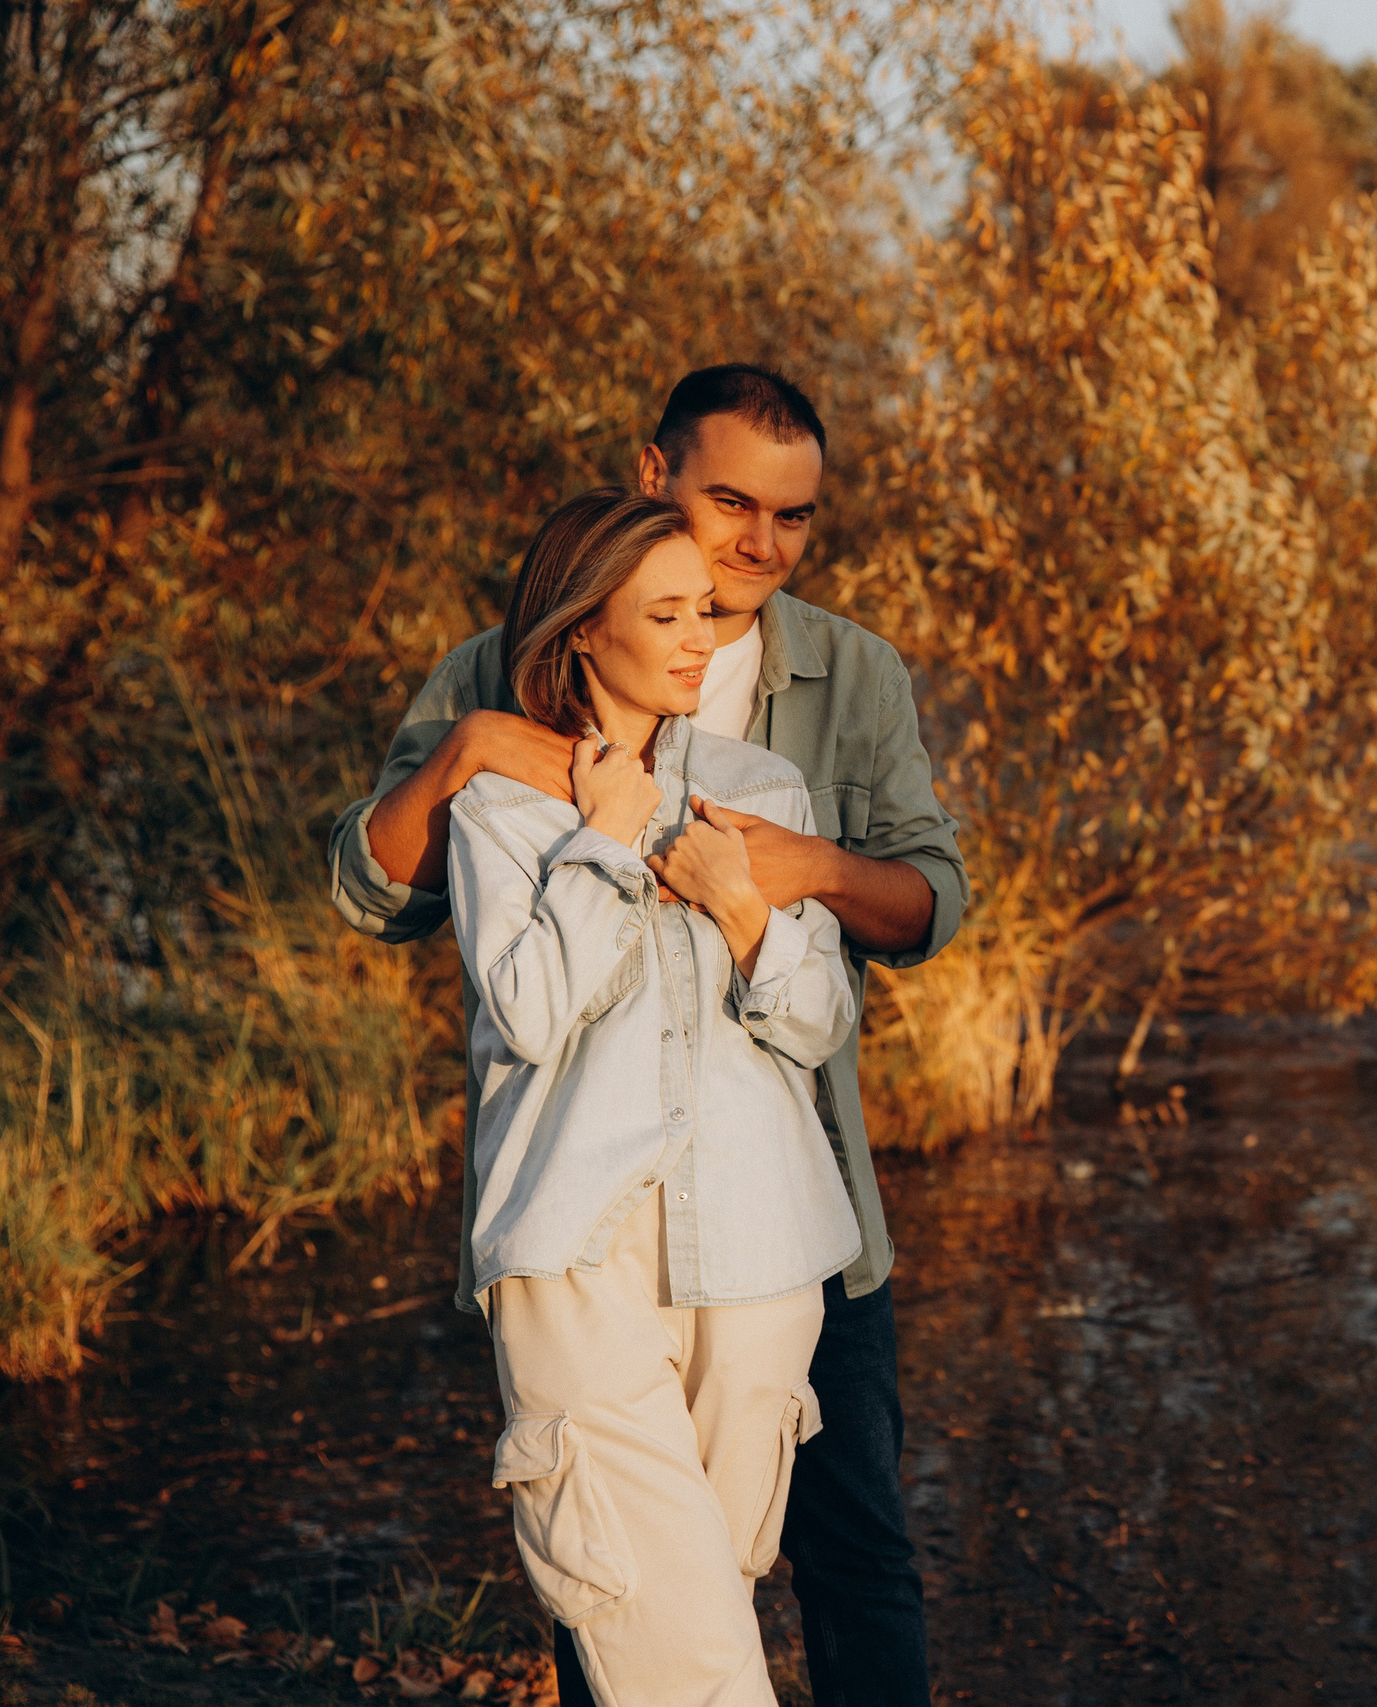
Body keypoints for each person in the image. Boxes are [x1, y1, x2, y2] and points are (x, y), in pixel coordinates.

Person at [330, 367, 963, 1706]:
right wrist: (470, 761)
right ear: (651, 473)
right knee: (617, 1581)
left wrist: (798, 870)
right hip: (590, 1201)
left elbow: (921, 906)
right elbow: (375, 890)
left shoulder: (845, 680)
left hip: (795, 1195)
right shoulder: (489, 675)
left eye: (794, 517)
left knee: (849, 1544)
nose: (761, 545)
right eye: (732, 500)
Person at [452, 486, 858, 1706]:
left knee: (700, 1629)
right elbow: (527, 1009)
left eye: (708, 613)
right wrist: (605, 839)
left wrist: (743, 907)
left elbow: (821, 1021)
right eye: (666, 612)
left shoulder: (766, 790)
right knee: (680, 1656)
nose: (700, 637)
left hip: (760, 1257)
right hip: (575, 1258)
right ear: (583, 628)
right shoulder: (507, 807)